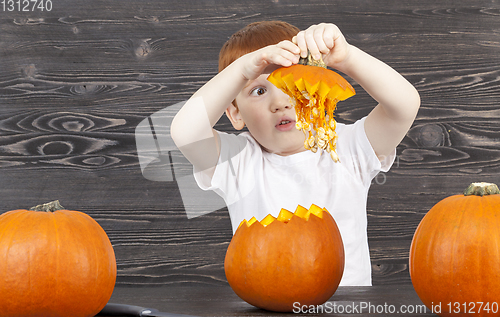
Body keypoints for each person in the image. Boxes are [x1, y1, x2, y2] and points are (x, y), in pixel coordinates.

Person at [171, 21, 420, 286]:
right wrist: (241, 70)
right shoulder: (238, 160)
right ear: (235, 113)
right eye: (258, 90)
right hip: (263, 307)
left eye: (292, 83)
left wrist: (347, 57)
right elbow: (185, 132)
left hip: (348, 308)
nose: (280, 102)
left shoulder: (348, 146)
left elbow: (404, 105)